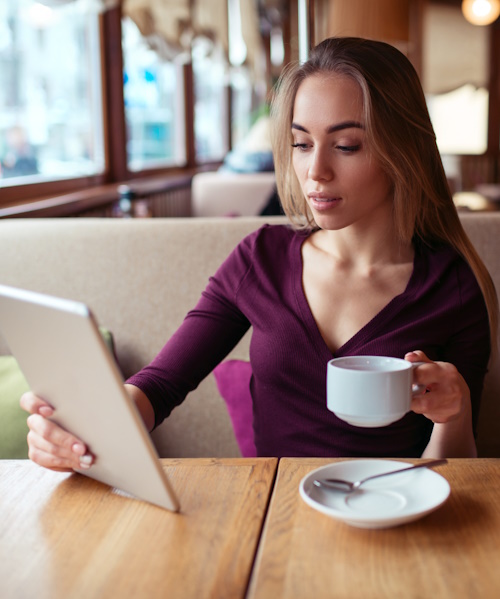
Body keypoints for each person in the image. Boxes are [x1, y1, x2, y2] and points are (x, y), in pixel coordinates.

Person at [21, 37, 498, 472]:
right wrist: (82, 429)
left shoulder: (454, 287)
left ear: (403, 148)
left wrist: (452, 415)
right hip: (272, 519)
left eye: (346, 145)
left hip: (396, 519)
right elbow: (159, 386)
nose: (316, 171)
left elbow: (456, 477)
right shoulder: (260, 259)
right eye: (301, 144)